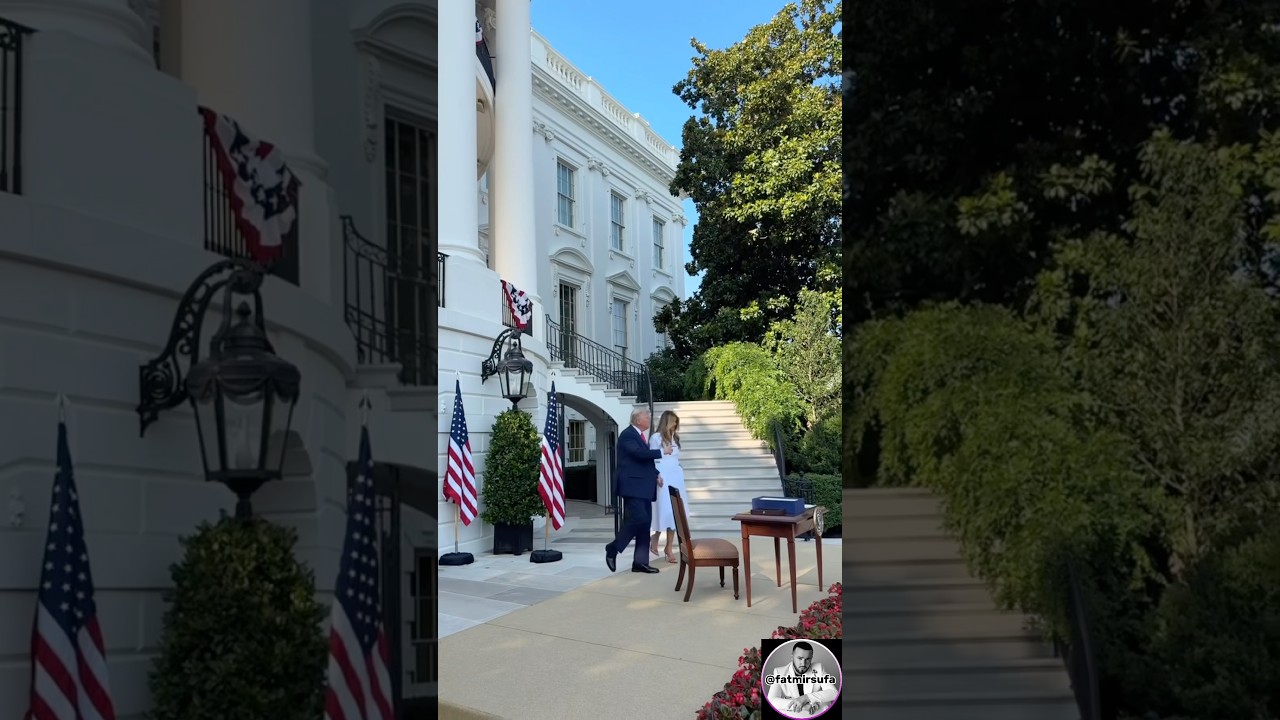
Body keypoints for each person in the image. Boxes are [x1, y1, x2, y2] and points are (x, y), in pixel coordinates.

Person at [605, 407, 672, 574]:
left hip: (643, 486)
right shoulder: (628, 434)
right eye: (646, 416)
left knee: (645, 523)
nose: (649, 418)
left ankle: (640, 562)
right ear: (637, 420)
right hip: (632, 487)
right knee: (638, 518)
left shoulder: (640, 436)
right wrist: (662, 451)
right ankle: (613, 548)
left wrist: (656, 474)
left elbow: (643, 463)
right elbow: (639, 454)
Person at [648, 411, 685, 563]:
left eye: (676, 422)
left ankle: (669, 547)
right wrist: (656, 475)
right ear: (666, 422)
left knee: (675, 512)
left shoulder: (675, 437)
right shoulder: (655, 438)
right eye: (673, 422)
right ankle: (655, 537)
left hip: (676, 475)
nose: (675, 425)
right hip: (663, 476)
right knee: (664, 510)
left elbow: (675, 456)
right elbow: (650, 458)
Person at [765, 641, 838, 717]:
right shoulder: (779, 672)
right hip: (794, 713)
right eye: (800, 658)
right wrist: (802, 706)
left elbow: (834, 693)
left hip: (815, 712)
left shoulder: (818, 668)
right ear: (792, 656)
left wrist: (806, 698)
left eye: (807, 659)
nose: (803, 663)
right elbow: (772, 700)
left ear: (811, 658)